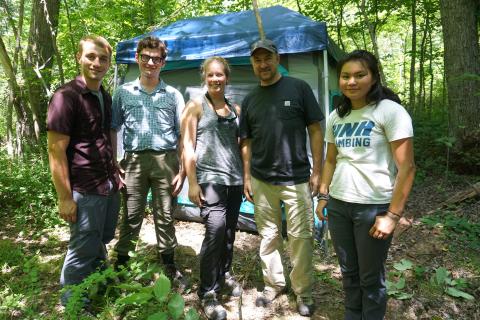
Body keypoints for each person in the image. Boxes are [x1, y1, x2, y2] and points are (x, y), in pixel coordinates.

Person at [315, 50, 416, 320]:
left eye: (360, 75)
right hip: (338, 205)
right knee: (348, 272)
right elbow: (330, 160)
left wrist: (392, 216)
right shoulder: (337, 116)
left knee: (370, 277)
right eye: (345, 76)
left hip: (373, 208)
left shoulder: (390, 112)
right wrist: (323, 196)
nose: (351, 81)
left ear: (373, 78)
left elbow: (407, 167)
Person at [239, 39, 324, 317]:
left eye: (267, 58)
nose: (263, 64)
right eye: (257, 60)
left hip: (297, 179)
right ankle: (273, 284)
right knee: (268, 236)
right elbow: (246, 142)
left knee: (300, 237)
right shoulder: (250, 99)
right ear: (253, 63)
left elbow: (315, 130)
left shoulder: (298, 88)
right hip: (262, 180)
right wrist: (247, 177)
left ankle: (303, 292)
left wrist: (318, 171)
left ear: (277, 59)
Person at [47, 35, 121, 306]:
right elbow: (55, 150)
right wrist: (65, 197)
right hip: (84, 187)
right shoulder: (65, 97)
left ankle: (100, 281)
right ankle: (75, 304)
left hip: (108, 183)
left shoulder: (104, 96)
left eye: (103, 58)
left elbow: (103, 138)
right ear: (79, 57)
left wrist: (116, 170)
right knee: (82, 247)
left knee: (102, 237)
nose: (97, 63)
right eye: (91, 56)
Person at [111, 36, 187, 287]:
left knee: (165, 214)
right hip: (133, 161)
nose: (151, 63)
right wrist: (114, 161)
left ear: (163, 63)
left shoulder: (173, 95)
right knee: (131, 215)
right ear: (137, 58)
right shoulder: (123, 93)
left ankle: (168, 262)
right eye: (146, 57)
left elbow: (182, 135)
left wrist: (184, 170)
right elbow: (112, 128)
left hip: (166, 161)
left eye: (156, 59)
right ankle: (121, 264)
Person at [181, 56, 243, 320]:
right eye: (211, 75)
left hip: (235, 181)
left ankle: (224, 273)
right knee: (215, 231)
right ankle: (207, 292)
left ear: (227, 77)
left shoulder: (235, 109)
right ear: (204, 77)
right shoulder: (195, 107)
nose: (216, 79)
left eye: (220, 75)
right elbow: (187, 146)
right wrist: (192, 182)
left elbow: (242, 147)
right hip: (210, 180)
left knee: (229, 232)